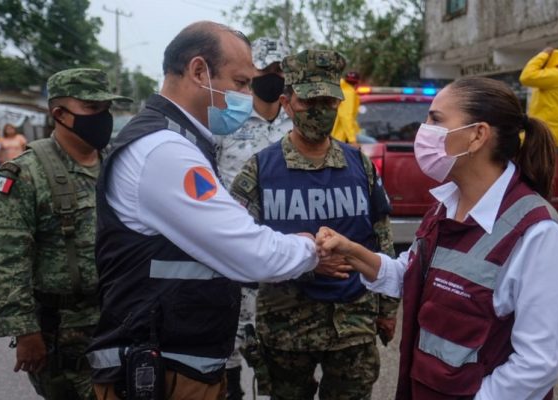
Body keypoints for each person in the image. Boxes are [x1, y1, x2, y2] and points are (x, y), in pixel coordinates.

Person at [88, 22, 324, 400]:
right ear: (199, 72)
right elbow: (248, 252)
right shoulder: (165, 150)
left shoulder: (180, 139)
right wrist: (312, 249)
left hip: (177, 359)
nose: (247, 95)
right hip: (161, 368)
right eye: (241, 82)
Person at [316, 76, 558, 400]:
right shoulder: (445, 206)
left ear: (477, 135)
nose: (422, 131)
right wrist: (352, 252)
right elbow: (412, 275)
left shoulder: (537, 234)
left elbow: (539, 364)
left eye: (435, 120)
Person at [229, 50, 397, 400]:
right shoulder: (259, 170)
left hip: (353, 324)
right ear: (287, 104)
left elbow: (380, 233)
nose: (320, 110)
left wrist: (387, 308)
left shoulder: (358, 165)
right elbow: (237, 249)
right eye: (309, 101)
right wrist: (306, 264)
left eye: (328, 101)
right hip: (287, 327)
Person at [0, 68, 131, 400]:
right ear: (59, 113)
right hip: (65, 332)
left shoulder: (117, 164)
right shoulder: (25, 174)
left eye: (106, 109)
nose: (101, 118)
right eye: (91, 108)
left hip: (121, 319)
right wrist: (26, 331)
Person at [215, 36, 292, 400]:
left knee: (276, 363)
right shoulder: (225, 121)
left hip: (279, 257)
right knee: (227, 357)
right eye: (266, 70)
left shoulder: (295, 124)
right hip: (231, 255)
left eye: (280, 70)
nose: (274, 77)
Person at [519, 47, 558, 148]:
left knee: (511, 145)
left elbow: (526, 77)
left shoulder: (556, 75)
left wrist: (543, 54)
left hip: (550, 132)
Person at [330, 71, 361, 144]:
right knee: (372, 142)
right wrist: (352, 140)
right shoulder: (349, 93)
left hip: (335, 134)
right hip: (341, 136)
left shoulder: (340, 90)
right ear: (358, 83)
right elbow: (346, 116)